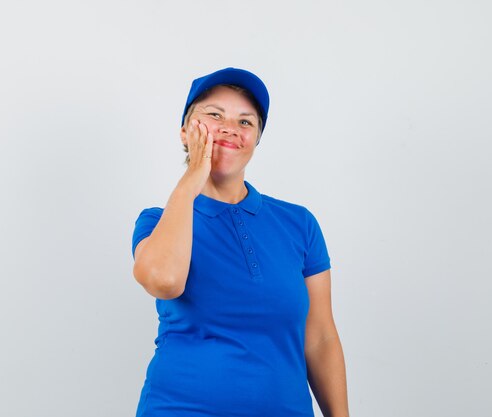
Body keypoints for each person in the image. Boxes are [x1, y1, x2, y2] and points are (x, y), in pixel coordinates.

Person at [131, 67, 349, 417]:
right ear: (186, 133)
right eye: (214, 115)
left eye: (246, 122)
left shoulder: (298, 223)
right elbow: (164, 280)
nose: (231, 127)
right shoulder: (158, 221)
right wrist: (192, 178)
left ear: (256, 141)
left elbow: (320, 336)